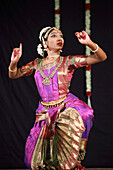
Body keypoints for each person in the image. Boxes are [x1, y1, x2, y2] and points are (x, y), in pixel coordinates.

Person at [9, 26, 107, 170]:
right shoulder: (36, 64)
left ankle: (76, 160)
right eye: (54, 36)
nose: (59, 38)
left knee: (84, 114)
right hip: (45, 110)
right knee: (36, 163)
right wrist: (13, 62)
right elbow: (14, 74)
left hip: (65, 105)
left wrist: (89, 43)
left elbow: (101, 57)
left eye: (60, 35)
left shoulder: (68, 61)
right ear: (45, 43)